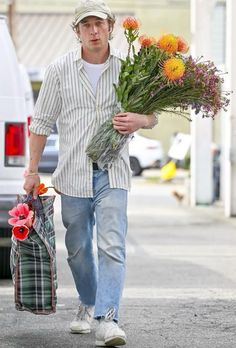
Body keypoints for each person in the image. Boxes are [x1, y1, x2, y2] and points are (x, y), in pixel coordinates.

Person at [23, 0, 157, 346]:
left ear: (111, 27)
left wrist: (140, 120)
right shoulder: (59, 69)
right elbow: (40, 124)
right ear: (77, 32)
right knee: (79, 248)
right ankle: (87, 302)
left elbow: (152, 114)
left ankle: (108, 318)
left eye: (99, 24)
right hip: (73, 174)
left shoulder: (129, 68)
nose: (94, 31)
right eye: (86, 26)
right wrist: (31, 171)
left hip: (113, 174)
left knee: (112, 244)